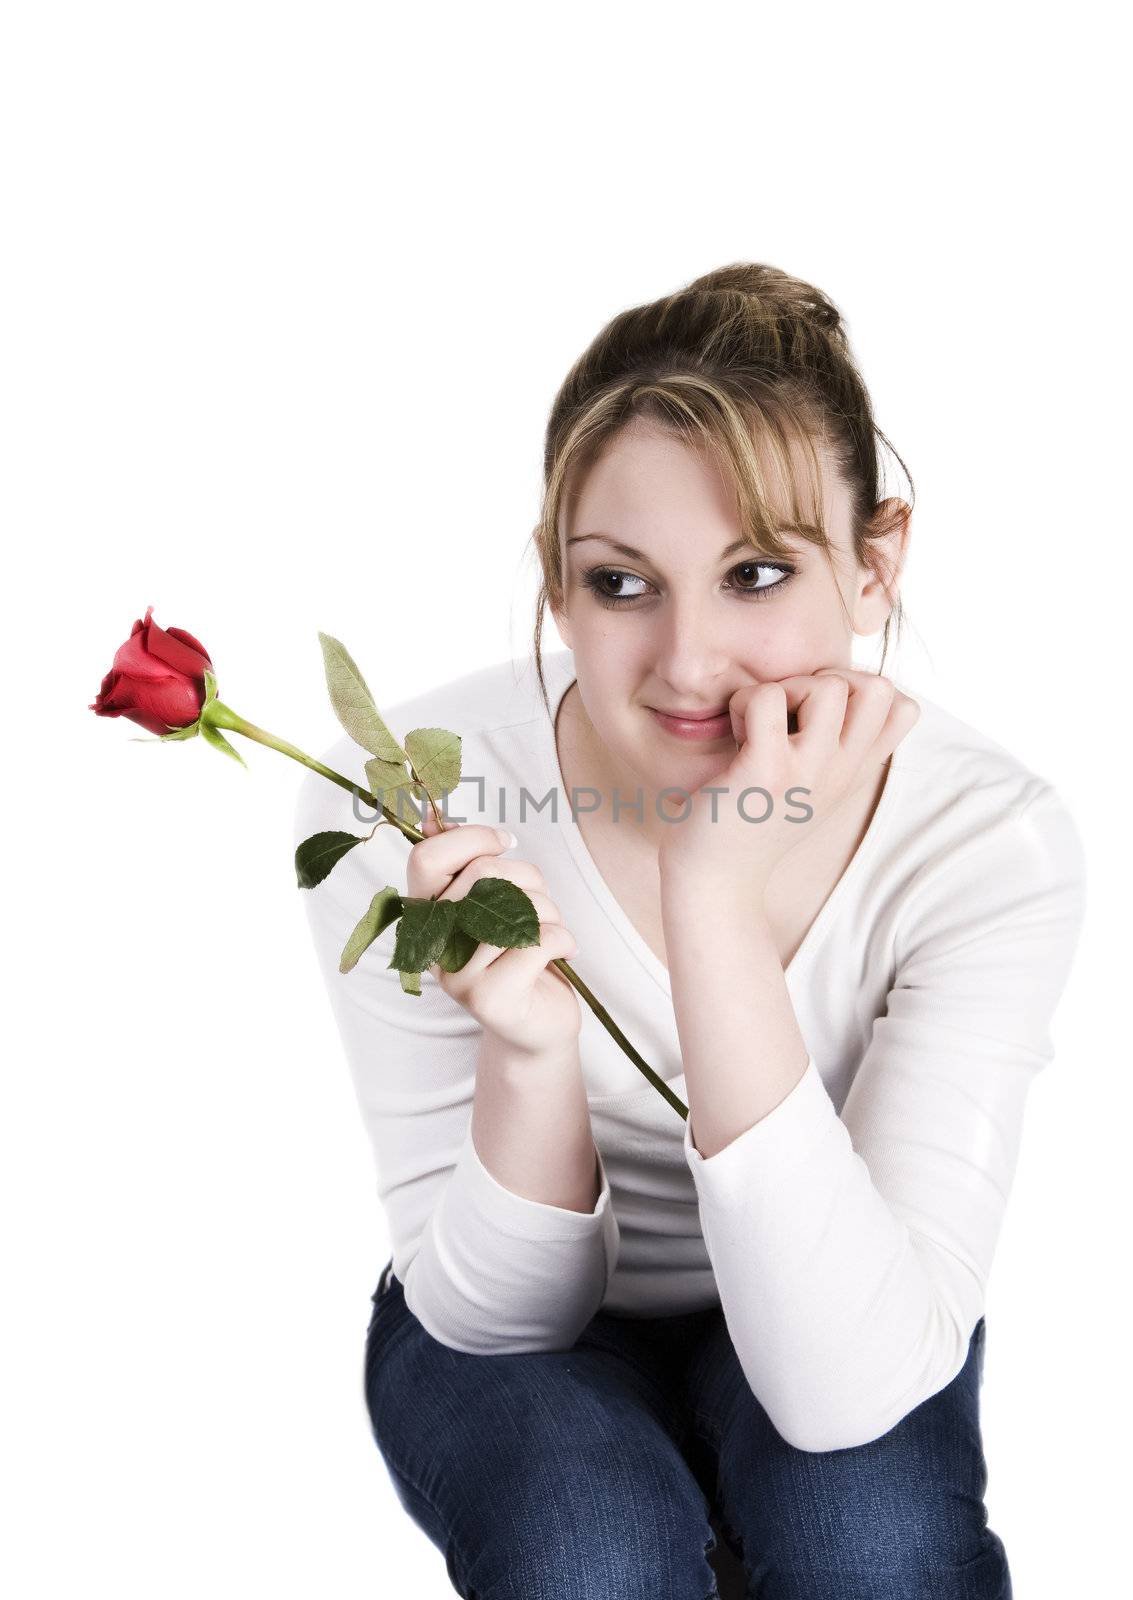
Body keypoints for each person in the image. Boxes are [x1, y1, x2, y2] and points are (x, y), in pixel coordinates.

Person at [294, 262, 1086, 1599]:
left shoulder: (985, 843)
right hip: (509, 1327)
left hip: (847, 1301)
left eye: (756, 572)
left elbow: (846, 1386)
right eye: (620, 585)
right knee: (586, 1553)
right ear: (554, 582)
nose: (685, 663)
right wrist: (532, 1058)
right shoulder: (412, 810)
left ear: (874, 563)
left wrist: (708, 903)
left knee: (877, 1551)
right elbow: (495, 1318)